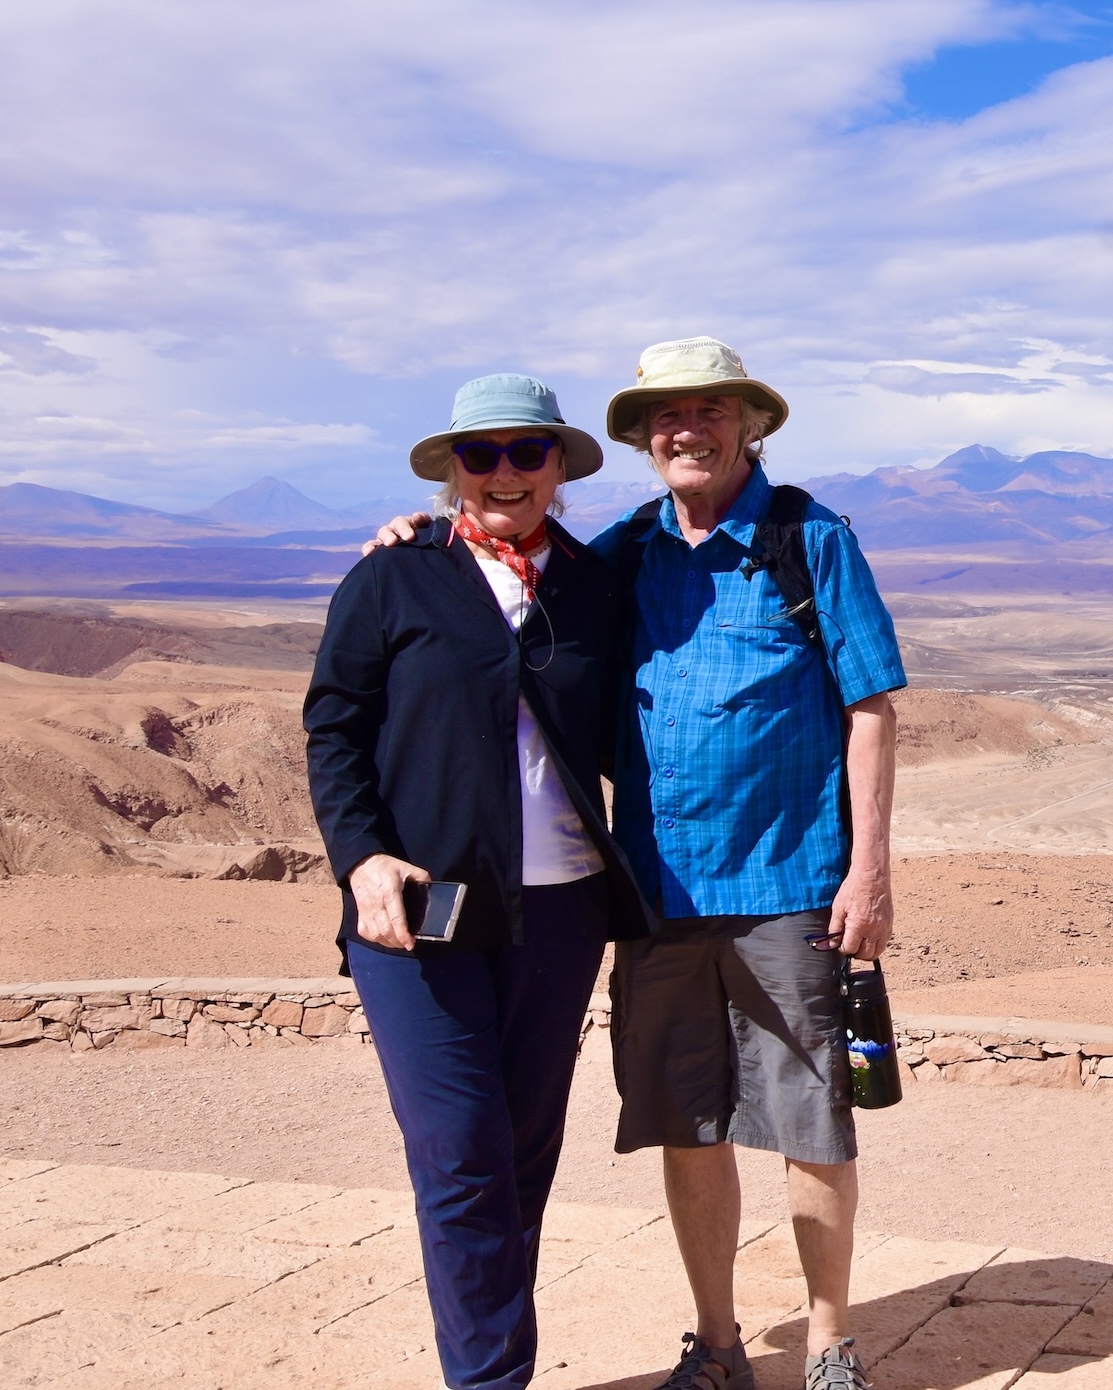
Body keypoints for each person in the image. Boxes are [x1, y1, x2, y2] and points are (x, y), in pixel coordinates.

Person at [306, 373, 654, 1390]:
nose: (503, 472)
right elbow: (334, 726)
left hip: (562, 908)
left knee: (521, 1158)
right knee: (460, 1152)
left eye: (526, 452)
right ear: (453, 467)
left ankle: (494, 1361)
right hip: (414, 910)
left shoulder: (595, 588)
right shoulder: (395, 576)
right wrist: (359, 855)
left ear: (558, 468)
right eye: (480, 454)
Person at [591, 338, 903, 1390]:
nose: (686, 431)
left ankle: (829, 1344)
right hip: (658, 892)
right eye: (664, 417)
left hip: (791, 885)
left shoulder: (809, 541)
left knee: (814, 1122)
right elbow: (507, 584)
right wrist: (418, 539)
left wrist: (868, 874)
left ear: (748, 425)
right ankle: (718, 1342)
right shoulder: (625, 553)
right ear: (643, 439)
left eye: (708, 411)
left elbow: (869, 708)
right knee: (688, 1117)